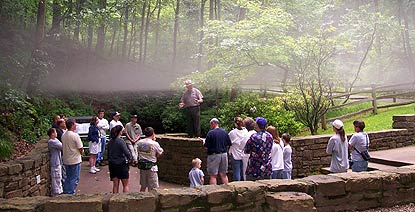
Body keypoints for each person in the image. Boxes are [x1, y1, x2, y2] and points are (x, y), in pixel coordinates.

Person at [203, 118, 231, 185]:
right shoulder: (224, 132)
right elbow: (229, 144)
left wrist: (204, 143)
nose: (210, 126)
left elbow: (206, 146)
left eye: (211, 124)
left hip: (214, 155)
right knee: (224, 174)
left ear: (213, 123)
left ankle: (213, 192)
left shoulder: (210, 133)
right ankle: (228, 190)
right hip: (224, 155)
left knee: (213, 175)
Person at [137, 127, 164, 192]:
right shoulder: (154, 143)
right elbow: (160, 153)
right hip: (151, 167)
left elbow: (138, 152)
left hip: (142, 166)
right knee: (153, 187)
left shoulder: (139, 142)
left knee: (143, 186)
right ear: (152, 133)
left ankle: (140, 199)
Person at [108, 125, 132, 193]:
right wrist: (130, 159)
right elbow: (126, 152)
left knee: (115, 185)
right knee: (125, 185)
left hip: (112, 164)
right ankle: (125, 200)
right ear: (120, 132)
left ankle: (114, 199)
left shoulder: (110, 141)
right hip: (121, 164)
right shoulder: (121, 141)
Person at [62, 119, 83, 194]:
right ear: (72, 125)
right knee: (74, 178)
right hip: (75, 159)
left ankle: (66, 191)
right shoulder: (75, 135)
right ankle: (71, 192)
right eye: (74, 124)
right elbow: (80, 147)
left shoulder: (64, 135)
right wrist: (81, 153)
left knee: (68, 177)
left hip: (66, 159)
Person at [228, 117, 248, 181]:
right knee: (243, 171)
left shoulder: (232, 133)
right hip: (243, 153)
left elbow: (228, 141)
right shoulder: (246, 131)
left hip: (234, 153)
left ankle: (237, 185)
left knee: (236, 171)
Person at [47, 128, 63, 196]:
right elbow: (61, 146)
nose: (57, 133)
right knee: (56, 177)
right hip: (55, 162)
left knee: (59, 177)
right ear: (52, 133)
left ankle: (59, 190)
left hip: (58, 161)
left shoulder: (55, 140)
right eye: (55, 132)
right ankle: (56, 192)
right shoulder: (51, 141)